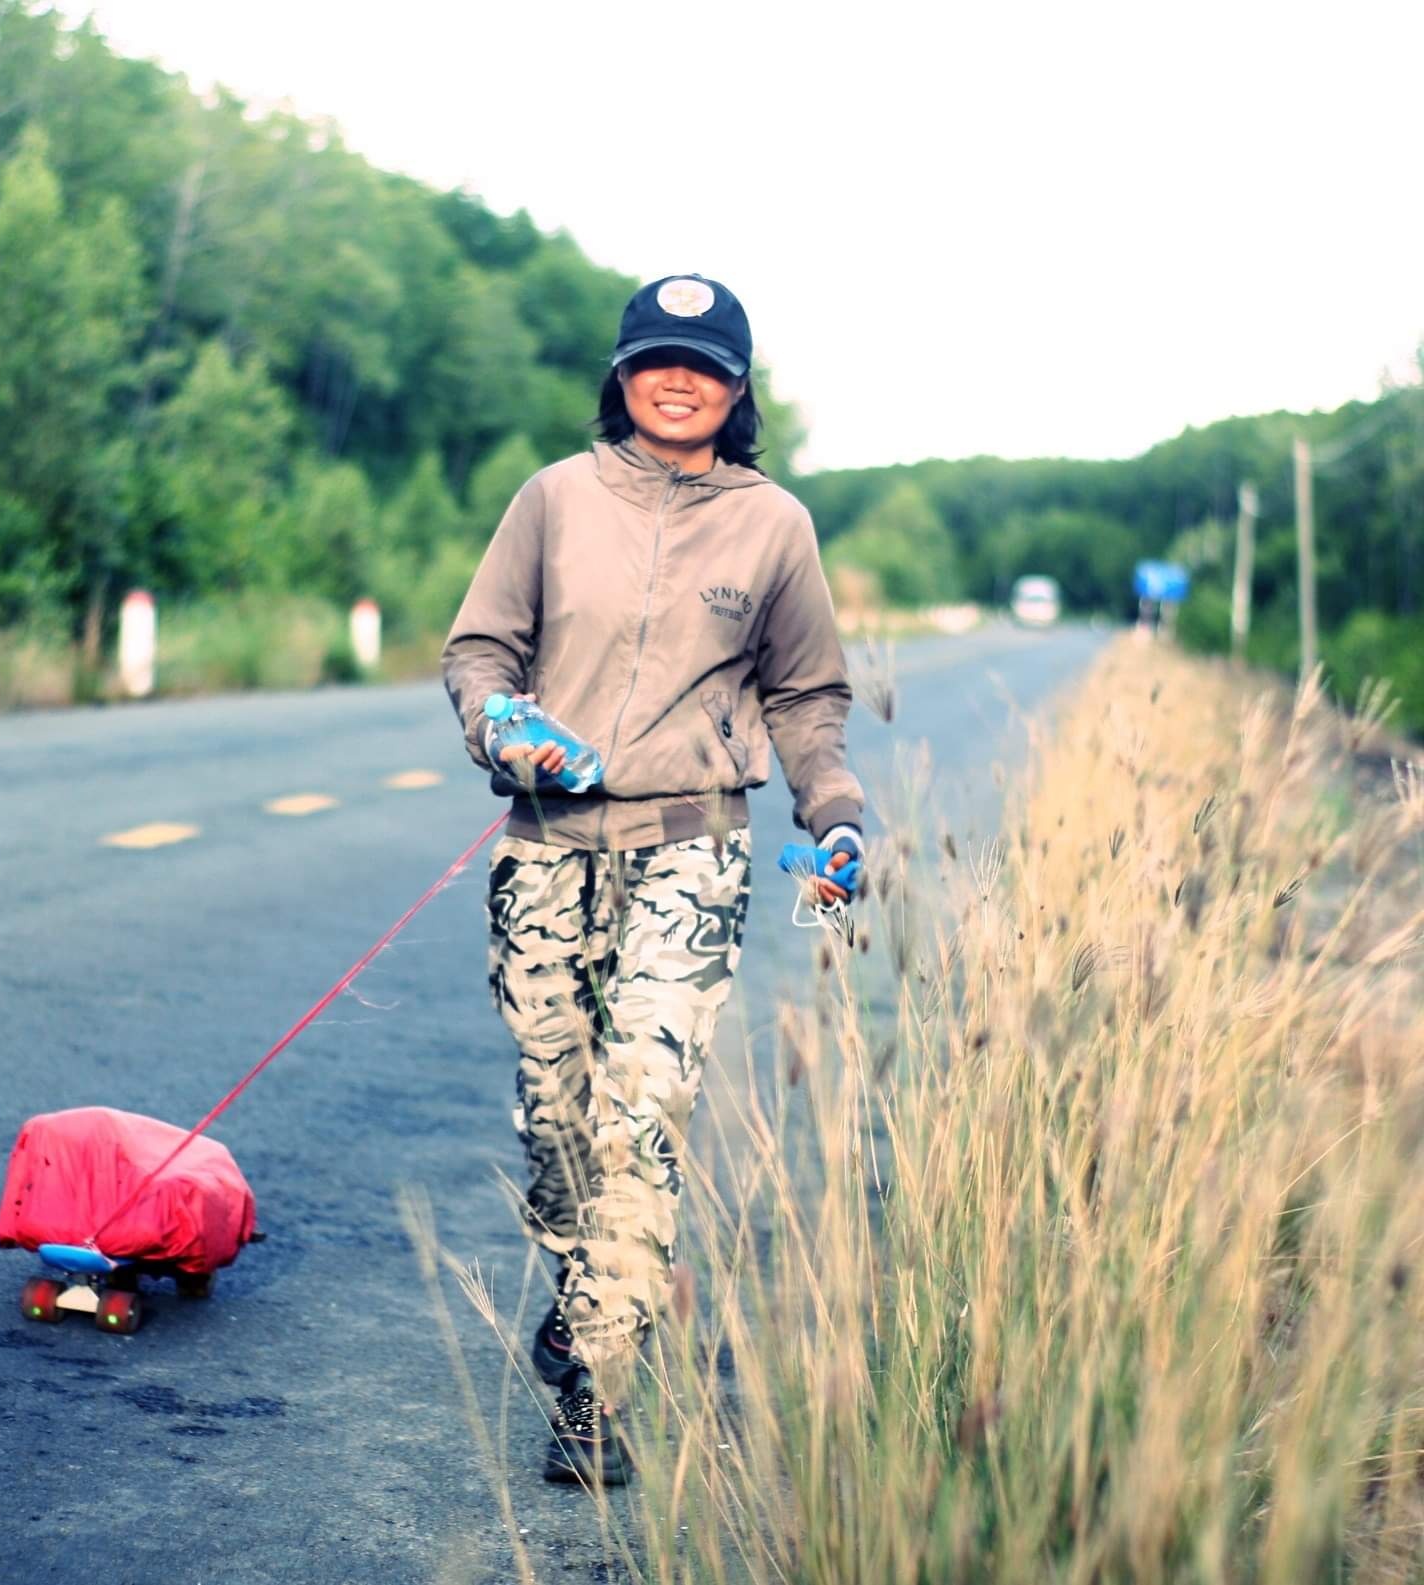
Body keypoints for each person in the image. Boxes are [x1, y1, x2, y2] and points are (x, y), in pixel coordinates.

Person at [441, 273, 865, 1487]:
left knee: (643, 1110)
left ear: (738, 390)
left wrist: (831, 809)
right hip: (544, 846)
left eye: (705, 364)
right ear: (621, 375)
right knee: (557, 1116)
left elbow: (806, 695)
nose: (678, 380)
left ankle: (596, 1386)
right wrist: (501, 724)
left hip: (693, 844)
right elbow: (480, 649)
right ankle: (591, 1288)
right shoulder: (553, 500)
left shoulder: (774, 524)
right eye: (655, 359)